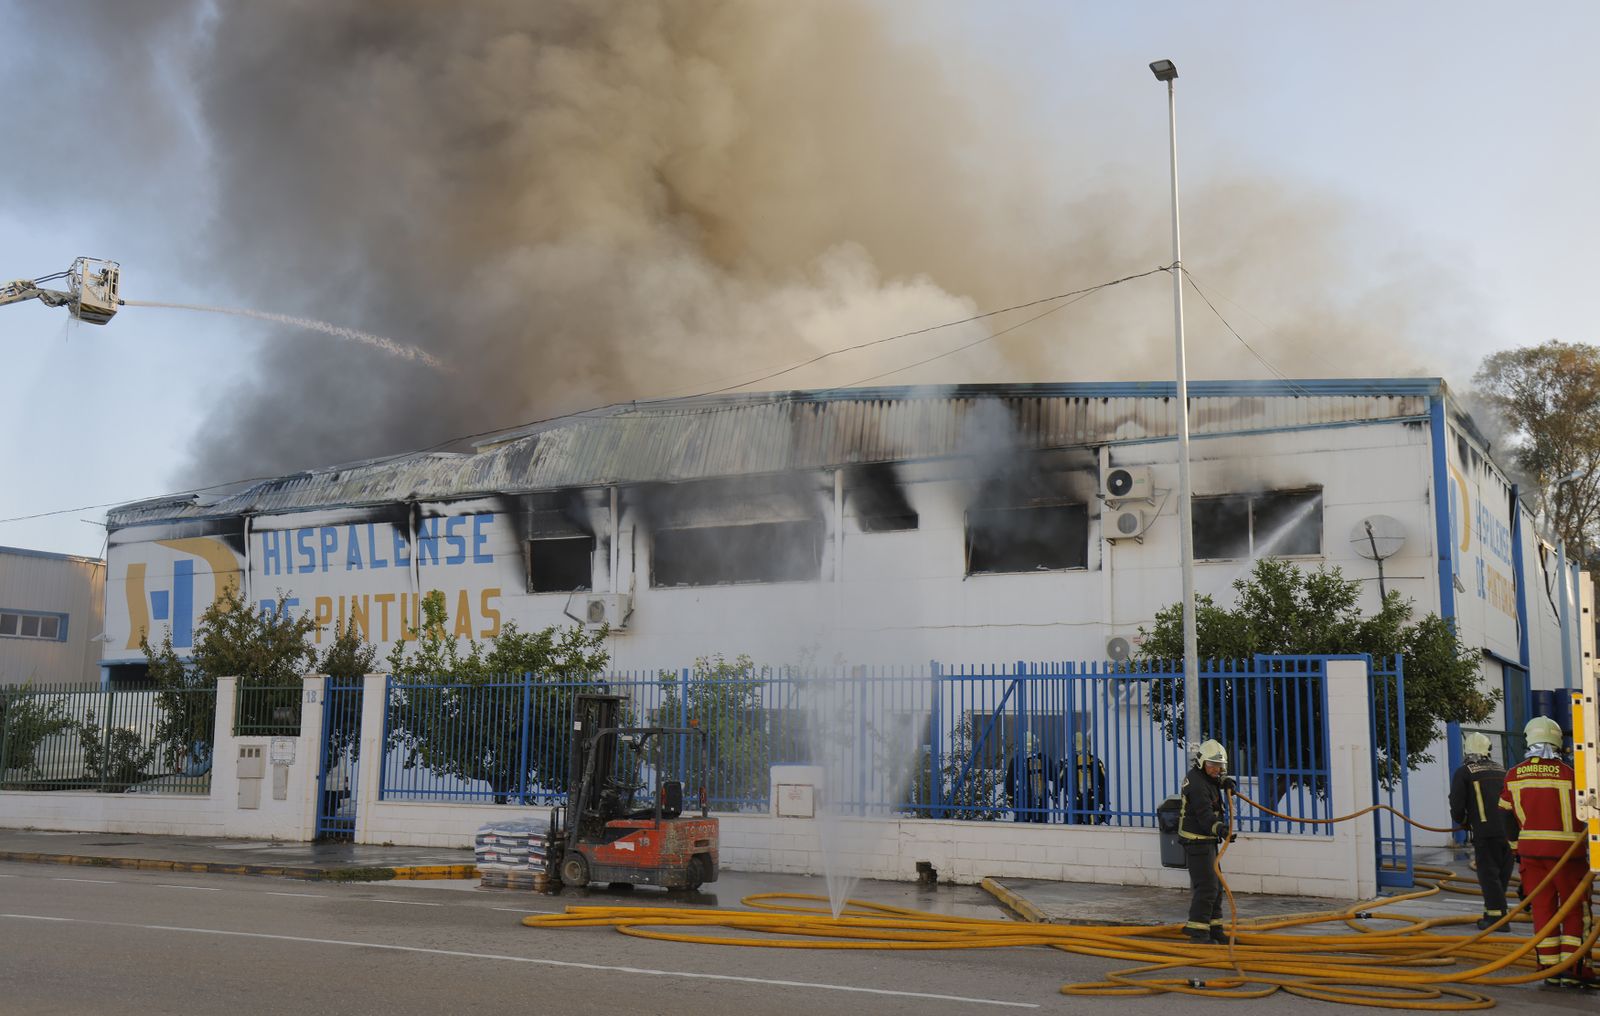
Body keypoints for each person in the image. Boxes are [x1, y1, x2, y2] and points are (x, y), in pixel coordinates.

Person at [1498, 715, 1594, 990]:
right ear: (1557, 742)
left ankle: (1549, 969)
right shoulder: (1571, 775)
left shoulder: (1514, 774)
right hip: (1568, 855)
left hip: (1531, 856)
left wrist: (1517, 849)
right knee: (1576, 911)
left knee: (1542, 910)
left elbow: (1505, 815)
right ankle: (1574, 969)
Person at [1449, 732, 1512, 930]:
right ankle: (1493, 913)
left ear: (1467, 750)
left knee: (1488, 875)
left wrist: (1463, 821)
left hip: (1486, 831)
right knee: (1502, 874)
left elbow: (1457, 804)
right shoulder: (1503, 770)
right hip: (1509, 832)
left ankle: (1496, 920)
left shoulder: (1464, 772)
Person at [1178, 739, 1236, 944]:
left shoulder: (1204, 776)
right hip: (1196, 841)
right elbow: (1204, 815)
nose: (1216, 769)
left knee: (1216, 885)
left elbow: (1213, 780)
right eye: (1212, 765)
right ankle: (1197, 931)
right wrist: (1220, 828)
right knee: (1207, 886)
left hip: (1206, 840)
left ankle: (1214, 928)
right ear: (1202, 762)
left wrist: (1225, 781)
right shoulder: (1196, 784)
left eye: (1220, 766)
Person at [1059, 732, 1109, 824]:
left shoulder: (1069, 762)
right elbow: (1104, 783)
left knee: (1069, 829)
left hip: (1074, 800)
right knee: (1093, 828)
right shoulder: (1095, 760)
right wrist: (1106, 804)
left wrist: (1056, 795)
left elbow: (1060, 781)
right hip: (1092, 800)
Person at [1004, 733, 1055, 823]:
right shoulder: (1043, 759)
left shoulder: (1016, 760)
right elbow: (1053, 776)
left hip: (1022, 799)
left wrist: (1011, 798)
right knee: (1041, 828)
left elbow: (1010, 782)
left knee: (1021, 828)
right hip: (1040, 799)